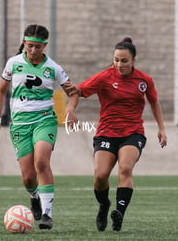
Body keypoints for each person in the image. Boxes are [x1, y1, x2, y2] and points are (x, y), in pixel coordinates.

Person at [65, 37, 167, 232]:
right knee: (100, 176)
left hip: (133, 133)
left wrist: (162, 128)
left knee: (125, 170)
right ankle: (104, 206)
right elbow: (77, 91)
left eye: (124, 61)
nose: (119, 64)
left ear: (133, 61)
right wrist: (70, 111)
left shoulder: (144, 81)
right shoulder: (104, 77)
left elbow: (154, 103)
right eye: (116, 60)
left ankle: (119, 213)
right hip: (106, 134)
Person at [0, 24, 77, 230]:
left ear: (45, 45)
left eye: (38, 47)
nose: (33, 51)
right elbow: (1, 91)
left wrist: (70, 110)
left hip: (44, 120)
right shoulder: (13, 63)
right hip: (19, 124)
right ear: (24, 43)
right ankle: (34, 196)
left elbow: (73, 92)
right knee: (28, 177)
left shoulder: (53, 67)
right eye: (29, 46)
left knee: (42, 163)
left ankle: (47, 215)